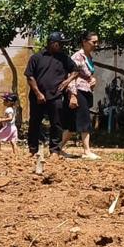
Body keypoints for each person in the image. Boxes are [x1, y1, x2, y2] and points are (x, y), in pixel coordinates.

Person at [24, 32, 79, 157]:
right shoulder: (37, 57)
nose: (62, 46)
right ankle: (33, 150)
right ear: (53, 43)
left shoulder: (64, 58)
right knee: (34, 123)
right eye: (60, 44)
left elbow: (75, 71)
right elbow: (30, 76)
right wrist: (38, 93)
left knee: (56, 123)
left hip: (55, 95)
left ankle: (54, 150)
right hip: (37, 97)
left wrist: (67, 81)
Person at [64, 31, 101, 160]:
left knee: (73, 124)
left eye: (97, 42)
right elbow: (70, 77)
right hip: (78, 92)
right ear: (84, 42)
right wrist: (73, 95)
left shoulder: (88, 57)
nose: (96, 44)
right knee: (85, 120)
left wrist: (93, 80)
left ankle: (58, 148)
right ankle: (86, 151)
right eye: (93, 42)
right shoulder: (77, 57)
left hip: (86, 92)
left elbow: (87, 75)